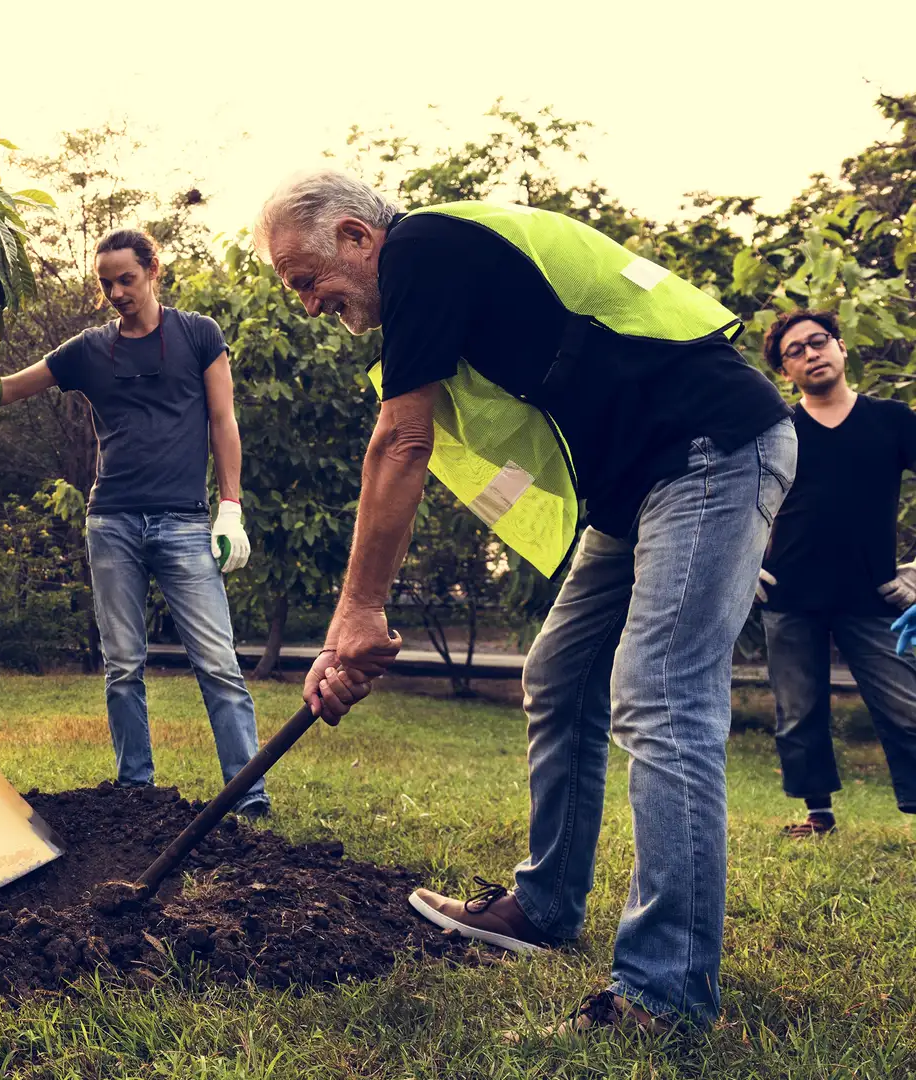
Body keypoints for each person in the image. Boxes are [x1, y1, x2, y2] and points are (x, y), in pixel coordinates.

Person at [258, 172, 793, 1034]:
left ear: (358, 237)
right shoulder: (438, 284)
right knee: (561, 672)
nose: (311, 304)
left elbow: (401, 439)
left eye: (306, 279)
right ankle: (543, 908)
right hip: (641, 485)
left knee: (660, 696)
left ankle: (666, 992)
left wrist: (356, 612)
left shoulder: (424, 249)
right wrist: (356, 612)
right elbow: (401, 430)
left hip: (709, 448)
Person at [0, 228, 266, 815]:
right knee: (123, 664)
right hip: (113, 523)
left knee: (218, 664)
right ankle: (135, 791)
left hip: (182, 522)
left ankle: (247, 797)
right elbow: (12, 388)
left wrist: (231, 507)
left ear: (154, 270)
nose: (117, 292)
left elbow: (224, 422)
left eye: (126, 279)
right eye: (106, 284)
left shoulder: (199, 335)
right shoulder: (89, 350)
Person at [756, 310, 916, 835]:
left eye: (817, 342)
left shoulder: (892, 420)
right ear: (786, 372)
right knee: (798, 713)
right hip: (789, 596)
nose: (810, 354)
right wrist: (743, 568)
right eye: (795, 352)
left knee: (907, 709)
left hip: (875, 595)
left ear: (842, 348)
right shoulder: (778, 430)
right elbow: (736, 502)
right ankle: (816, 815)